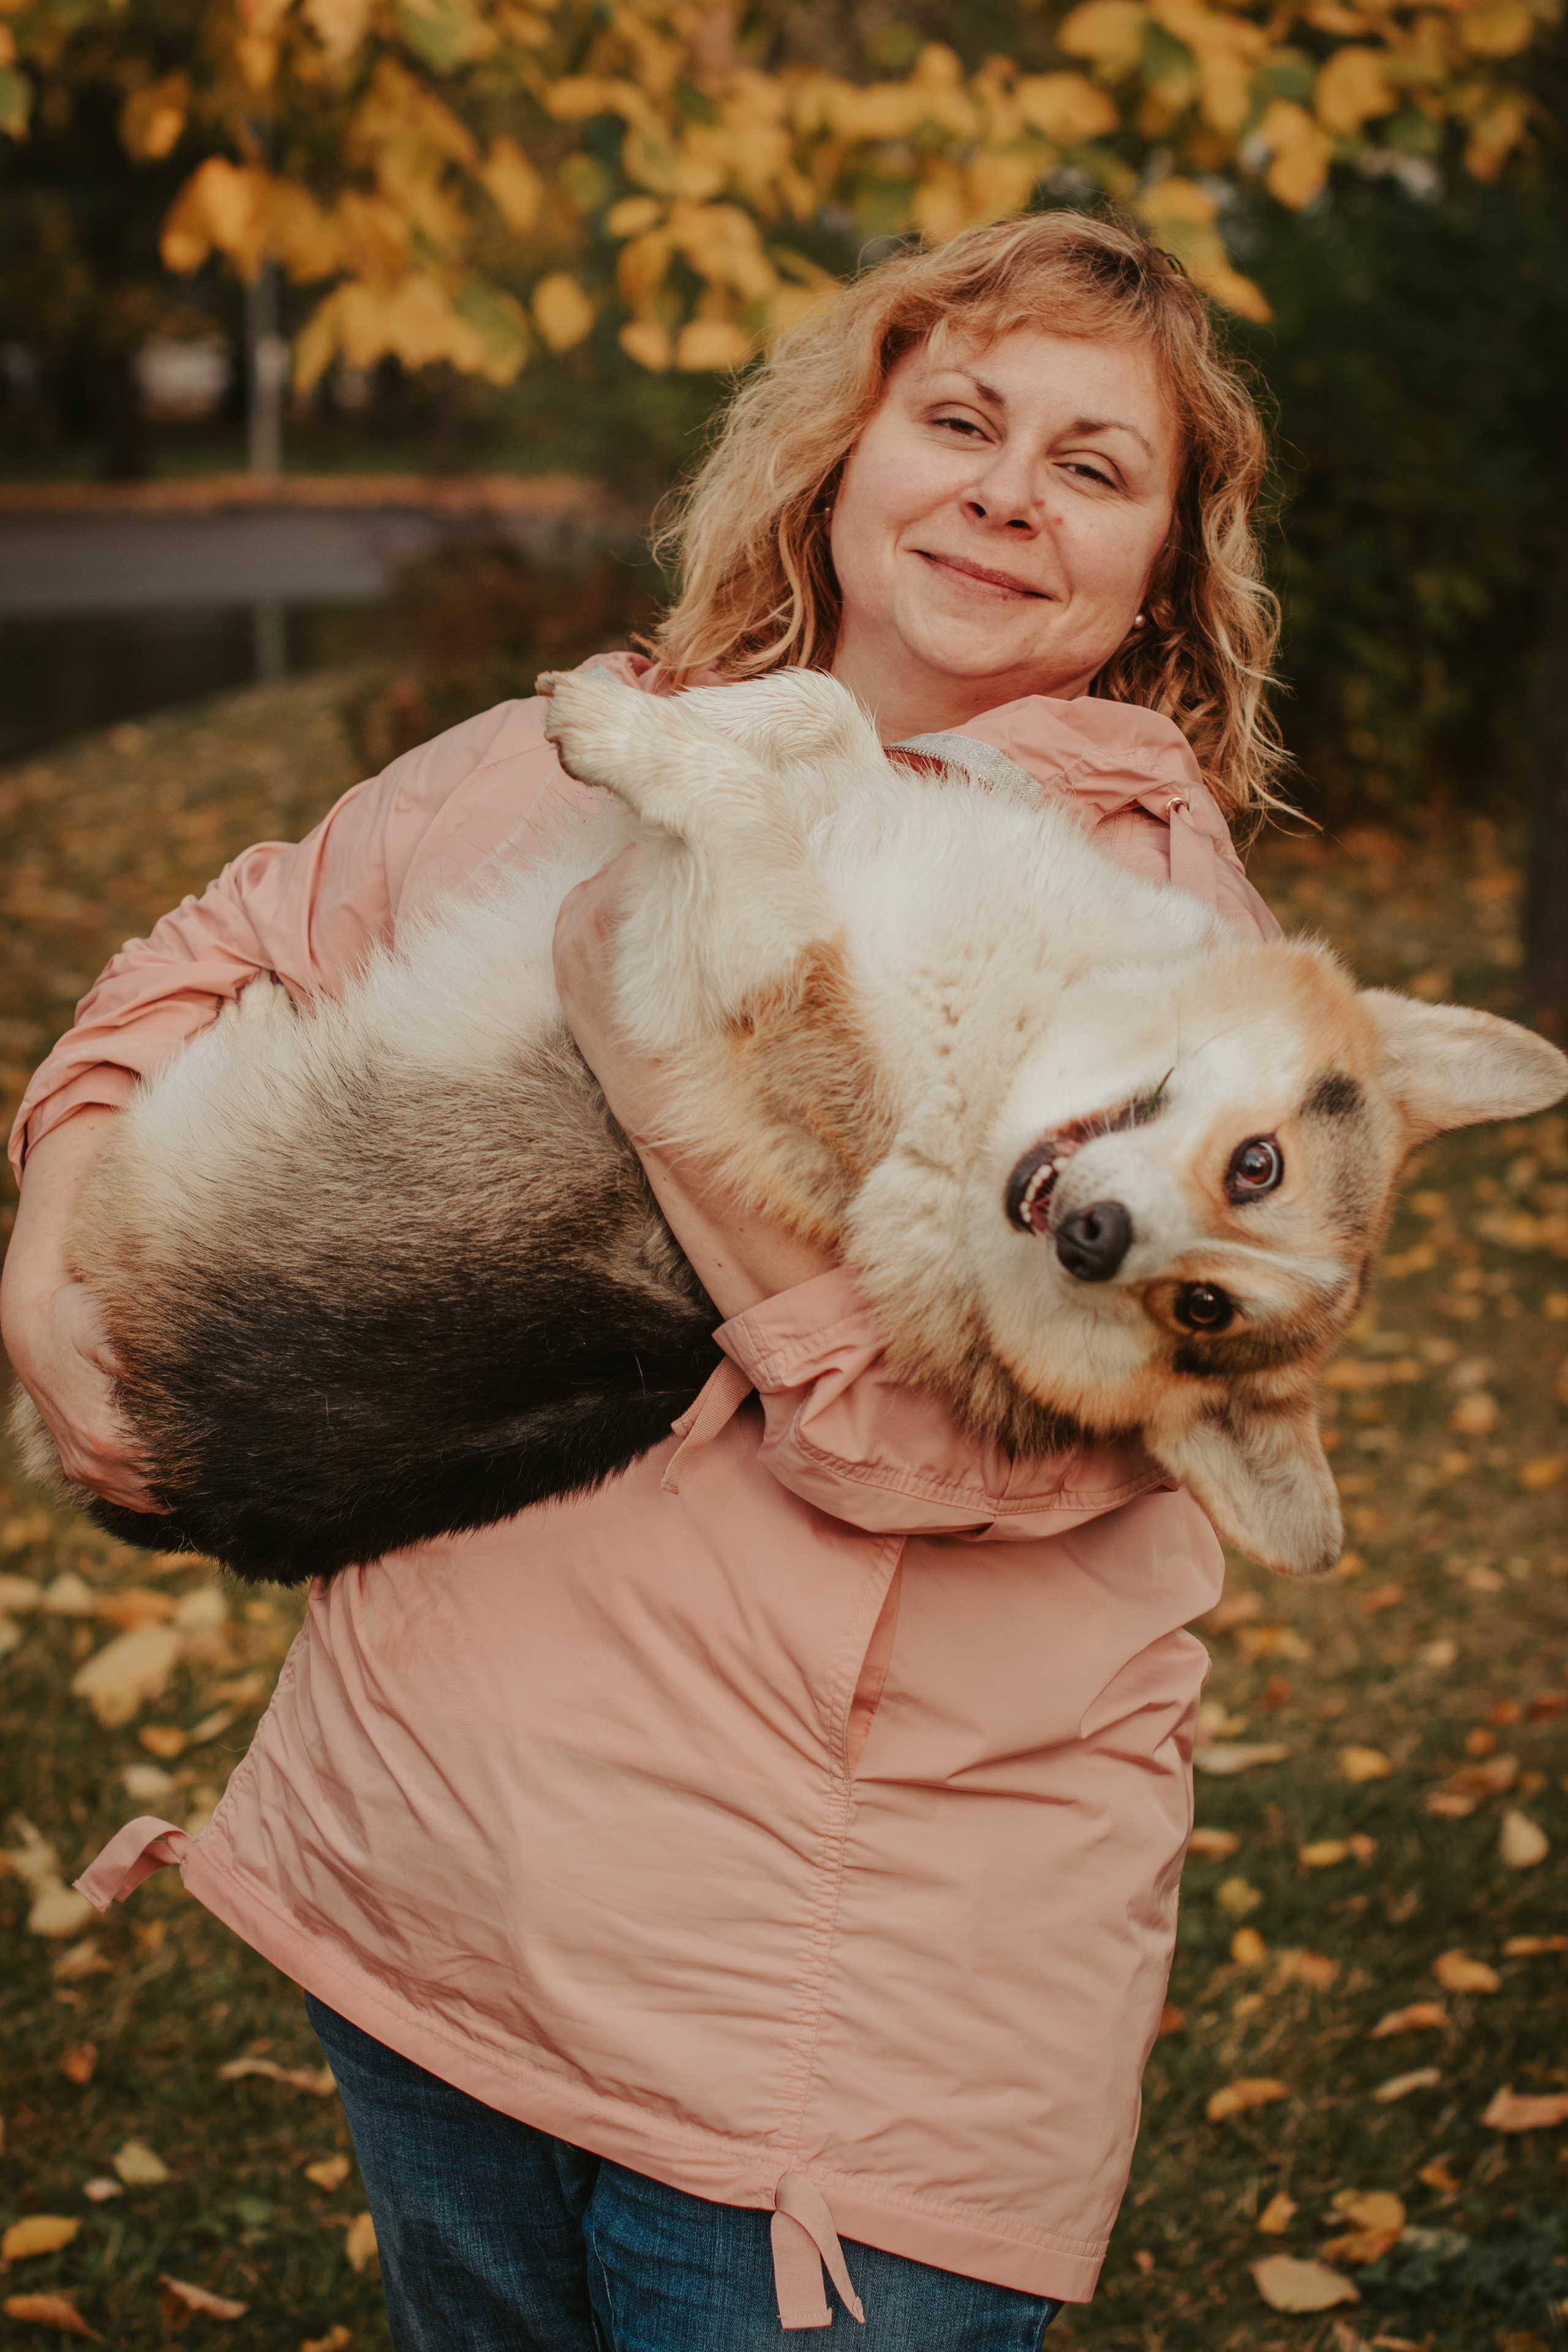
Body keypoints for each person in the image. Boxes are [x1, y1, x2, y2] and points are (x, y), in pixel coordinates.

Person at [2, 212, 1286, 2351]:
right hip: (432, 1920)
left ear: (1161, 567)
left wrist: (663, 1032)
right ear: (841, 454)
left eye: (1093, 466)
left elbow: (995, 1457)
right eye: (956, 419)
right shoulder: (590, 741)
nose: (1003, 490)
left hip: (816, 2057)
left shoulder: (1155, 946)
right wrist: (54, 1224)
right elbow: (231, 933)